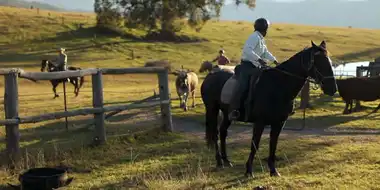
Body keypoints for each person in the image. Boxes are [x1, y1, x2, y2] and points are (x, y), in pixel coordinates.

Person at [228, 18, 279, 121]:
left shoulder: (261, 39)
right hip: (247, 66)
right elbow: (247, 50)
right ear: (264, 28)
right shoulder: (254, 37)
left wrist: (275, 61)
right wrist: (259, 59)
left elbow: (265, 52)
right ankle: (235, 109)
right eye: (267, 28)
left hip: (256, 66)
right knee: (244, 86)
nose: (267, 31)